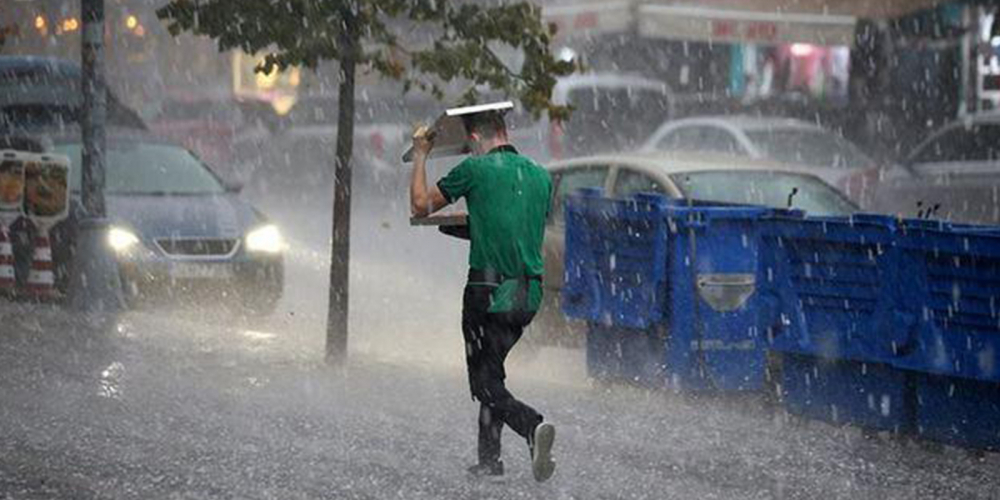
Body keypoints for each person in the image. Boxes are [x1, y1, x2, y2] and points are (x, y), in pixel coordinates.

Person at [409, 110, 556, 482]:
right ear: (505, 131)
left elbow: (420, 204)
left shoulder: (474, 170)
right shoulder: (540, 176)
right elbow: (515, 228)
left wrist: (422, 153)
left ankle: (530, 425)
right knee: (493, 372)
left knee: (484, 383)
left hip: (487, 292)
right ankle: (489, 460)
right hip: (528, 295)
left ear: (474, 139)